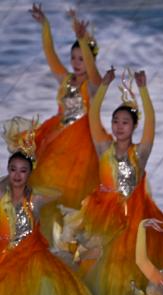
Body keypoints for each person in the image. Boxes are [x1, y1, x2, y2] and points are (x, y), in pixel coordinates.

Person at [66, 66, 163, 295]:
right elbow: (93, 117)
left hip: (135, 221)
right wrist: (103, 85)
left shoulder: (141, 152)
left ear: (133, 126)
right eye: (115, 121)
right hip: (104, 220)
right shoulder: (103, 148)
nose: (119, 126)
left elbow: (151, 124)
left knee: (133, 273)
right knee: (103, 274)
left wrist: (143, 90)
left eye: (125, 122)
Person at [0, 131, 105, 295]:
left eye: (23, 170)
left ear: (29, 173)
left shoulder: (35, 198)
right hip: (8, 258)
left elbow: (56, 191)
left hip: (33, 258)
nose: (17, 175)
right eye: (13, 169)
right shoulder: (1, 197)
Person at [28, 5, 100, 238]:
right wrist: (45, 25)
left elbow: (95, 73)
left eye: (82, 59)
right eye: (74, 58)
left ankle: (71, 246)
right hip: (56, 144)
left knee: (75, 204)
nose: (77, 63)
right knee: (44, 196)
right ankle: (46, 243)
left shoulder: (93, 85)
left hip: (81, 151)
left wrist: (83, 39)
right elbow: (50, 54)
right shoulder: (66, 79)